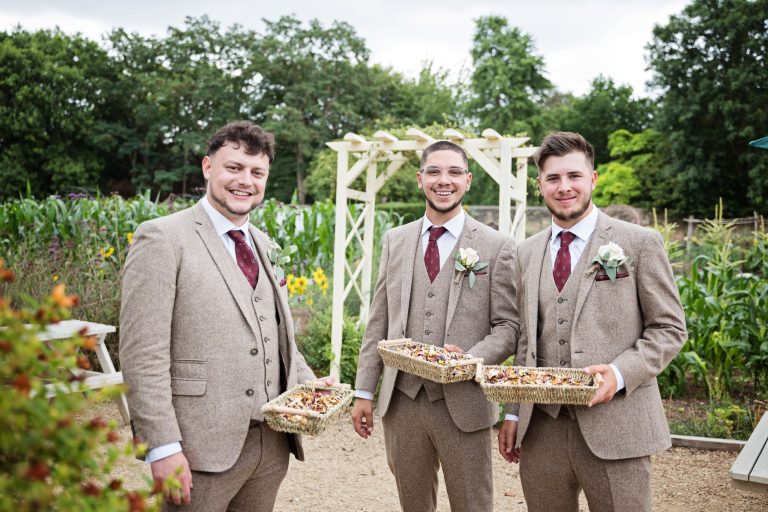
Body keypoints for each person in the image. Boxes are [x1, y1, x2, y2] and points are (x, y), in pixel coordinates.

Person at [120, 121, 327, 511]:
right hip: (198, 450)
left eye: (256, 172)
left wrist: (310, 386)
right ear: (207, 167)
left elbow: (279, 338)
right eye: (234, 167)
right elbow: (142, 353)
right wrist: (160, 447)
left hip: (271, 448)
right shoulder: (163, 238)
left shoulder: (267, 246)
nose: (245, 180)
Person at [497, 132, 687, 511]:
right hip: (543, 430)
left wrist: (618, 375)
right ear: (540, 186)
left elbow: (669, 329)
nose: (564, 187)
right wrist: (515, 411)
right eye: (553, 178)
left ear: (593, 179)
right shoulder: (526, 252)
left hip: (618, 424)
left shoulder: (638, 243)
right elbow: (525, 342)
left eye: (574, 176)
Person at [351, 140, 519, 512]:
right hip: (403, 402)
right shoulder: (396, 241)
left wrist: (471, 358)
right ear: (420, 179)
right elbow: (378, 320)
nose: (444, 181)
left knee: (472, 504)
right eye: (434, 172)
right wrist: (364, 390)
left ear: (469, 180)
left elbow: (508, 327)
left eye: (454, 172)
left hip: (463, 403)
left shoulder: (496, 246)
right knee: (413, 504)